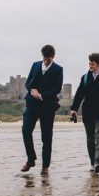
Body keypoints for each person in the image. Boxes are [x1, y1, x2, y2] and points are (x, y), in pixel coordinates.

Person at [20, 44, 63, 175]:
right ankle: (31, 159)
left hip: (47, 106)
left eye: (48, 59)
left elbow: (57, 89)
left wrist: (42, 95)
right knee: (26, 130)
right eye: (44, 58)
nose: (45, 61)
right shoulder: (35, 65)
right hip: (31, 104)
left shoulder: (58, 69)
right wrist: (32, 90)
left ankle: (45, 166)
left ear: (53, 57)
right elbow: (28, 82)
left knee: (46, 137)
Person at [70, 53, 99, 174]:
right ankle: (92, 162)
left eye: (93, 64)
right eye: (89, 63)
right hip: (88, 112)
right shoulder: (85, 77)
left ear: (98, 64)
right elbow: (79, 94)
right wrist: (74, 108)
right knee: (90, 138)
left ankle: (98, 162)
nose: (90, 66)